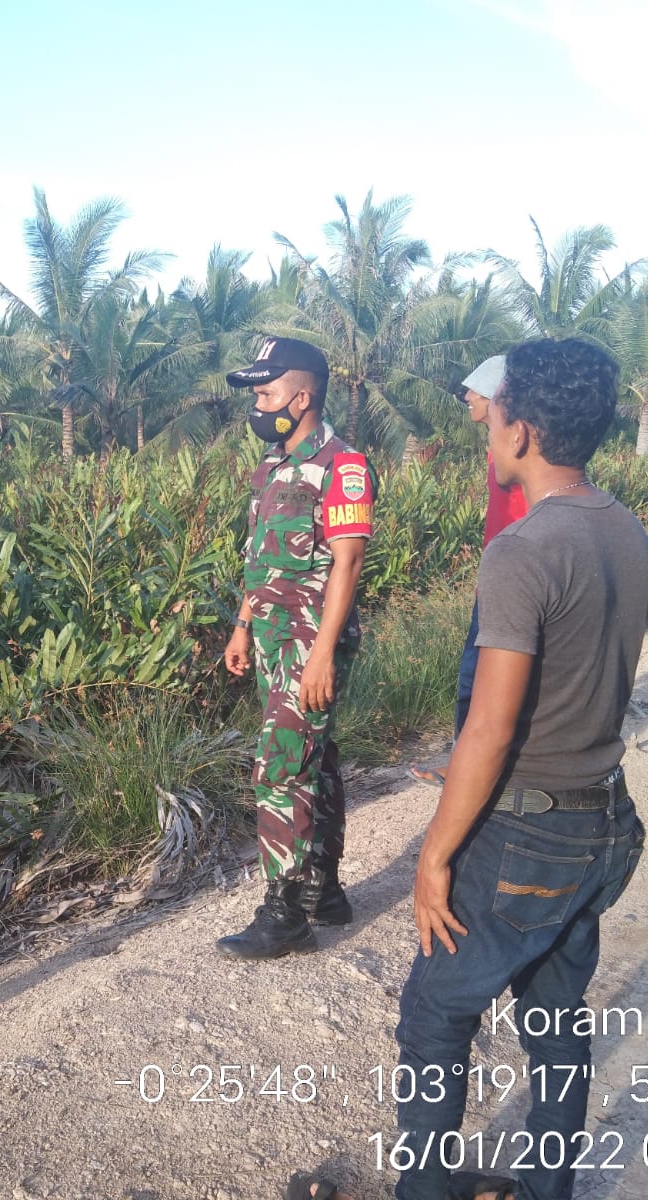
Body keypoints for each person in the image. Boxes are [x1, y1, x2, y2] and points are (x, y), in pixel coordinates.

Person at [292, 337, 648, 1200]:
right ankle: (545, 1190)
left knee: (435, 1016)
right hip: (603, 816)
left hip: (527, 828)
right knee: (556, 1021)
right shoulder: (626, 532)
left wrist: (433, 856)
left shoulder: (523, 551)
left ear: (521, 430)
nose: (484, 423)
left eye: (494, 410)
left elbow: (489, 731)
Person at [218, 336, 372, 960]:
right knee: (315, 758)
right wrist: (242, 623)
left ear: (301, 396)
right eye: (256, 393)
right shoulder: (271, 468)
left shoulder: (344, 465)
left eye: (266, 392)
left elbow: (349, 561)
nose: (258, 404)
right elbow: (262, 557)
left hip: (311, 638)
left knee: (280, 766)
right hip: (273, 636)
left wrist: (323, 652)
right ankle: (324, 890)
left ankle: (284, 914)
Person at [408, 355, 527, 787]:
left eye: (475, 389)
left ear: (499, 395)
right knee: (477, 674)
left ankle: (470, 768)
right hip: (497, 571)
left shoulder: (516, 447)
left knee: (478, 676)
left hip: (513, 577)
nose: (466, 397)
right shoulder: (499, 447)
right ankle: (469, 760)